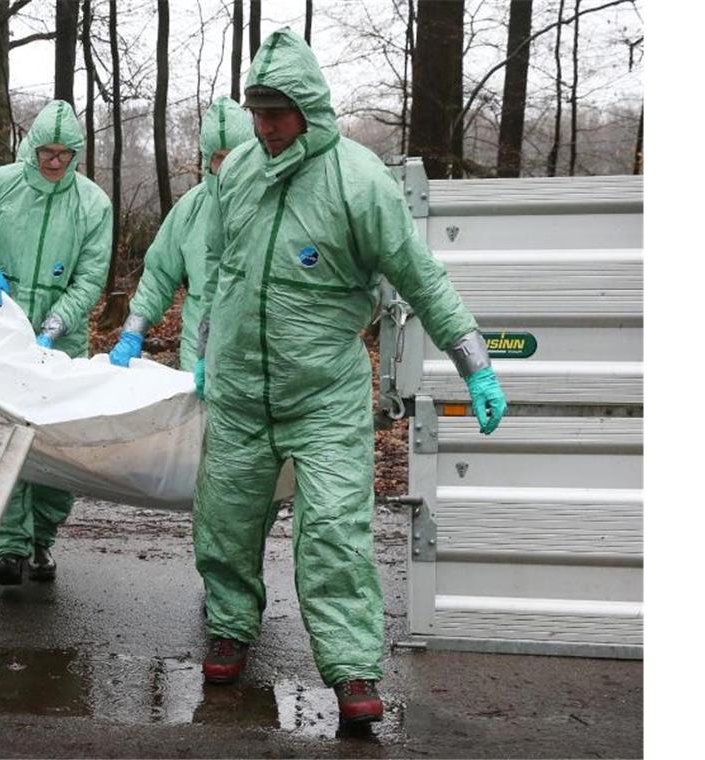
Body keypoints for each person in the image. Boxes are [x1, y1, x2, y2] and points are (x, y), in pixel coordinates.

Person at [191, 28, 508, 729]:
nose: (267, 128)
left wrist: (474, 363)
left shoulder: (357, 181)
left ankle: (353, 667)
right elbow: (216, 269)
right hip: (242, 393)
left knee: (334, 530)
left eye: (278, 113)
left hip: (323, 395)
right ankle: (230, 628)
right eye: (257, 113)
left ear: (310, 108)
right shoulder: (237, 172)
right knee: (224, 524)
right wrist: (206, 350)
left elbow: (419, 276)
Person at [0, 100, 113, 586]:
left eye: (65, 153)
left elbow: (90, 275)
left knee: (56, 441)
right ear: (30, 146)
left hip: (62, 338)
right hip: (0, 331)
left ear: (77, 154)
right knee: (4, 432)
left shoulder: (92, 204)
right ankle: (9, 546)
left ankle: (42, 538)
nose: (54, 161)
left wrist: (58, 322)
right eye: (47, 151)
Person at [107, 96, 253, 370]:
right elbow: (160, 273)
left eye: (236, 156)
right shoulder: (191, 208)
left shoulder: (270, 204)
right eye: (218, 158)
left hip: (255, 354)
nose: (227, 167)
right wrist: (133, 329)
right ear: (207, 160)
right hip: (197, 351)